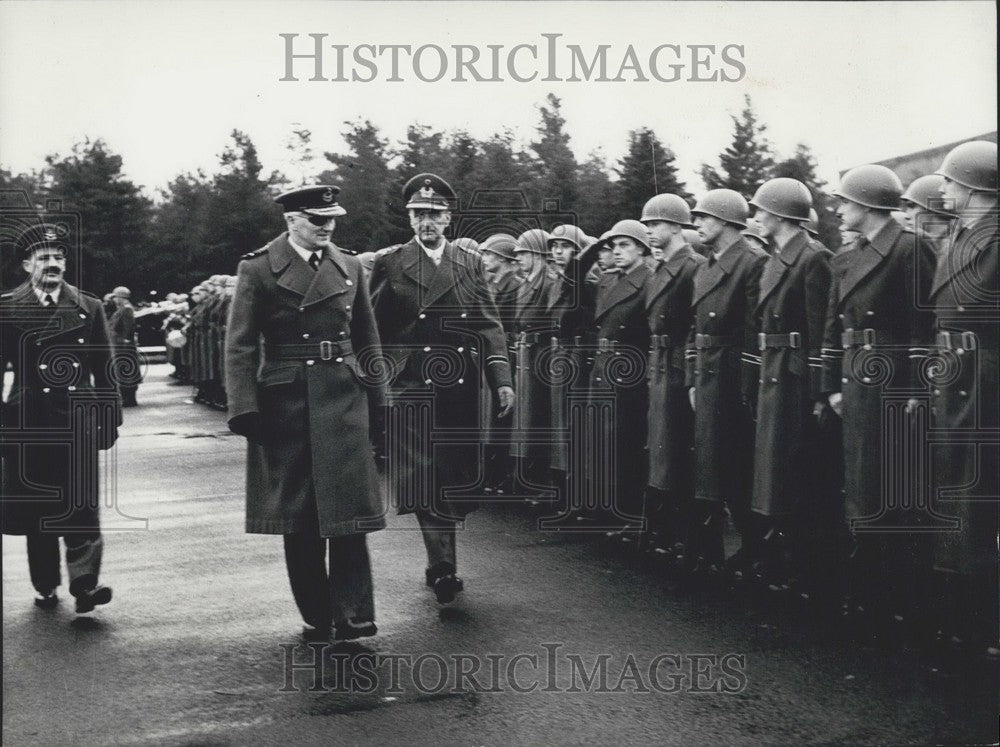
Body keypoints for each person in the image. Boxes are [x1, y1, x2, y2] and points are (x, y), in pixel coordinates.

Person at [225, 185, 386, 643]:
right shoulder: (257, 268)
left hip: (343, 396)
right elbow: (239, 345)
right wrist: (244, 407)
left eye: (333, 219)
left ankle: (354, 612)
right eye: (318, 220)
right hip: (286, 402)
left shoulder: (350, 265)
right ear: (291, 220)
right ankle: (317, 611)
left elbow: (367, 338)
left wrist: (380, 399)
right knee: (300, 518)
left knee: (350, 511)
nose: (328, 227)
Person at [369, 173, 514, 605]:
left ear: (448, 218)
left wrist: (501, 379)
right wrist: (377, 380)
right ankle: (445, 567)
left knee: (450, 479)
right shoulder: (390, 263)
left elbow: (489, 325)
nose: (425, 222)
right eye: (417, 214)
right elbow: (373, 328)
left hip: (458, 388)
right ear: (409, 218)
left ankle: (438, 563)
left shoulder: (468, 264)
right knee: (423, 477)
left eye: (433, 214)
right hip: (411, 386)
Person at [820, 164, 935, 641]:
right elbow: (833, 324)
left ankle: (890, 599)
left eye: (845, 202)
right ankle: (867, 591)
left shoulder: (910, 249)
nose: (840, 209)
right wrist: (830, 383)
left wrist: (913, 388)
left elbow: (924, 326)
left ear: (867, 205)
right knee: (860, 483)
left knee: (888, 487)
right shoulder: (850, 255)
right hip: (855, 379)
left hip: (890, 382)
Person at [1, 222, 120, 614]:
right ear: (26, 265)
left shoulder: (89, 306)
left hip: (78, 417)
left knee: (82, 504)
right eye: (43, 258)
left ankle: (86, 584)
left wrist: (109, 419)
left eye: (58, 257)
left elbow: (105, 368)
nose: (52, 264)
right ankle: (46, 582)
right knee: (39, 508)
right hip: (27, 419)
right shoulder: (8, 308)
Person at [927, 140, 998, 664]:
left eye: (949, 182)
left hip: (986, 386)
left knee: (975, 509)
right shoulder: (961, 237)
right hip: (956, 382)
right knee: (956, 503)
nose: (942, 189)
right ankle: (958, 625)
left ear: (972, 187)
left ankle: (975, 634)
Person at [746, 178, 833, 603]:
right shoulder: (779, 257)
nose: (756, 217)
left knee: (797, 474)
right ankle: (785, 561)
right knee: (776, 472)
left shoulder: (813, 258)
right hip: (774, 370)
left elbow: (821, 330)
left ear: (780, 215)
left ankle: (807, 569)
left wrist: (819, 392)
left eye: (761, 211)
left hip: (796, 377)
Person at [683, 189, 768, 587]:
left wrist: (748, 388)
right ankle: (710, 550)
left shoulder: (752, 263)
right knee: (709, 465)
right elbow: (693, 327)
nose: (696, 223)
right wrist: (691, 378)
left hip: (732, 373)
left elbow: (754, 332)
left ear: (729, 221)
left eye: (704, 217)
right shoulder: (706, 267)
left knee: (734, 465)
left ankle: (753, 550)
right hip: (707, 372)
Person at [640, 194, 704, 562]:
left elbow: (694, 322)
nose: (650, 231)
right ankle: (663, 530)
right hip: (660, 361)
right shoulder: (662, 267)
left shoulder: (691, 266)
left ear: (677, 226)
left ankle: (679, 534)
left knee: (676, 449)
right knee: (660, 447)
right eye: (647, 225)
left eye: (656, 224)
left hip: (679, 363)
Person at [582, 220, 653, 539]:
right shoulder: (608, 280)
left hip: (629, 367)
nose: (617, 251)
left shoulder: (649, 280)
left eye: (625, 245)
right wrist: (596, 245)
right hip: (603, 364)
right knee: (601, 437)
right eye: (614, 246)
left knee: (626, 440)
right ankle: (606, 507)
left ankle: (628, 511)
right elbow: (575, 274)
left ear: (641, 248)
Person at [510, 228, 557, 500]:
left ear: (538, 254)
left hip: (542, 354)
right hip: (527, 351)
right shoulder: (525, 283)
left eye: (523, 253)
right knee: (526, 420)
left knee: (540, 419)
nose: (518, 259)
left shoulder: (548, 283)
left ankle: (542, 481)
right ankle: (530, 480)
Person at [480, 232, 522, 495]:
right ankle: (493, 473)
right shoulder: (496, 285)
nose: (485, 259)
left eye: (490, 254)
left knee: (502, 417)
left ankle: (500, 474)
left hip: (507, 355)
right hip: (496, 354)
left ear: (505, 258)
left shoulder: (513, 287)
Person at [898, 174, 956, 256]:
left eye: (912, 206)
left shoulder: (952, 249)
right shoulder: (927, 246)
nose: (906, 216)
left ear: (932, 208)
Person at [109, 285, 140, 407]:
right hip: (120, 344)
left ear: (121, 297)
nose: (114, 299)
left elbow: (128, 327)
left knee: (126, 372)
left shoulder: (126, 309)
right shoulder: (123, 308)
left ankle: (129, 398)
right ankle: (127, 397)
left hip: (123, 346)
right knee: (123, 371)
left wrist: (126, 340)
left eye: (116, 297)